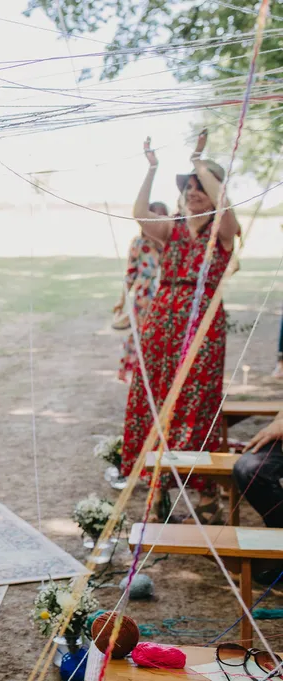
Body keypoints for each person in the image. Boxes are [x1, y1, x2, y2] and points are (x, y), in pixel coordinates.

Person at [120, 131, 240, 524]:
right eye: (188, 188)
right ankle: (157, 492)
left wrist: (199, 161)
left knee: (197, 404)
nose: (193, 192)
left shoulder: (220, 234)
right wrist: (151, 169)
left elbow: (224, 207)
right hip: (162, 324)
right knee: (155, 399)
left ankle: (205, 497)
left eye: (199, 187)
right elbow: (139, 213)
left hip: (202, 327)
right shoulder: (171, 228)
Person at [112, 201, 166, 382]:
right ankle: (132, 370)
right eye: (152, 217)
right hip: (144, 300)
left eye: (160, 218)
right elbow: (130, 275)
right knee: (139, 335)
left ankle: (157, 372)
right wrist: (121, 300)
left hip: (166, 300)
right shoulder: (139, 243)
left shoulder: (171, 244)